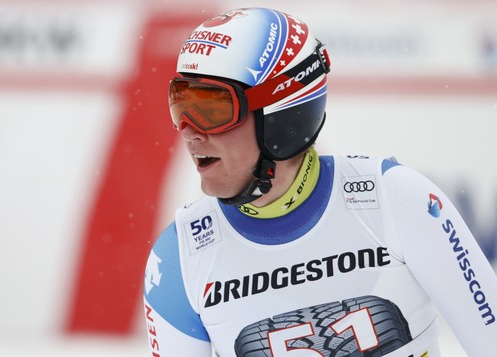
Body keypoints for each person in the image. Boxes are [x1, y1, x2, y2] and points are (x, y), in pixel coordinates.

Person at [142, 7, 497, 357]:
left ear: (283, 114)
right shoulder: (178, 259)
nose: (189, 131)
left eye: (213, 108)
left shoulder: (396, 200)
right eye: (181, 100)